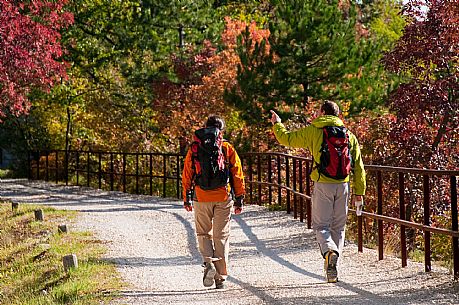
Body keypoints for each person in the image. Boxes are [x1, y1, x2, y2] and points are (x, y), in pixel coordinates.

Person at [270, 101, 366, 283]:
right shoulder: (349, 135)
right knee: (339, 227)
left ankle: (330, 252)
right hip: (344, 185)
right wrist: (359, 192)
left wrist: (277, 123)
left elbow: (287, 140)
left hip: (323, 183)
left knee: (321, 226)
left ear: (322, 112)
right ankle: (334, 263)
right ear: (338, 115)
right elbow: (359, 166)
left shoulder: (314, 130)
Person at [182, 115, 246, 289]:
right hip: (222, 197)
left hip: (201, 196)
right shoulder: (226, 147)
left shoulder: (195, 148)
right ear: (221, 131)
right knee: (221, 236)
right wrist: (239, 198)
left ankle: (208, 262)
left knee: (203, 233)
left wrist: (186, 197)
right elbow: (237, 174)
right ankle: (220, 277)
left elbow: (187, 173)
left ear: (205, 128)